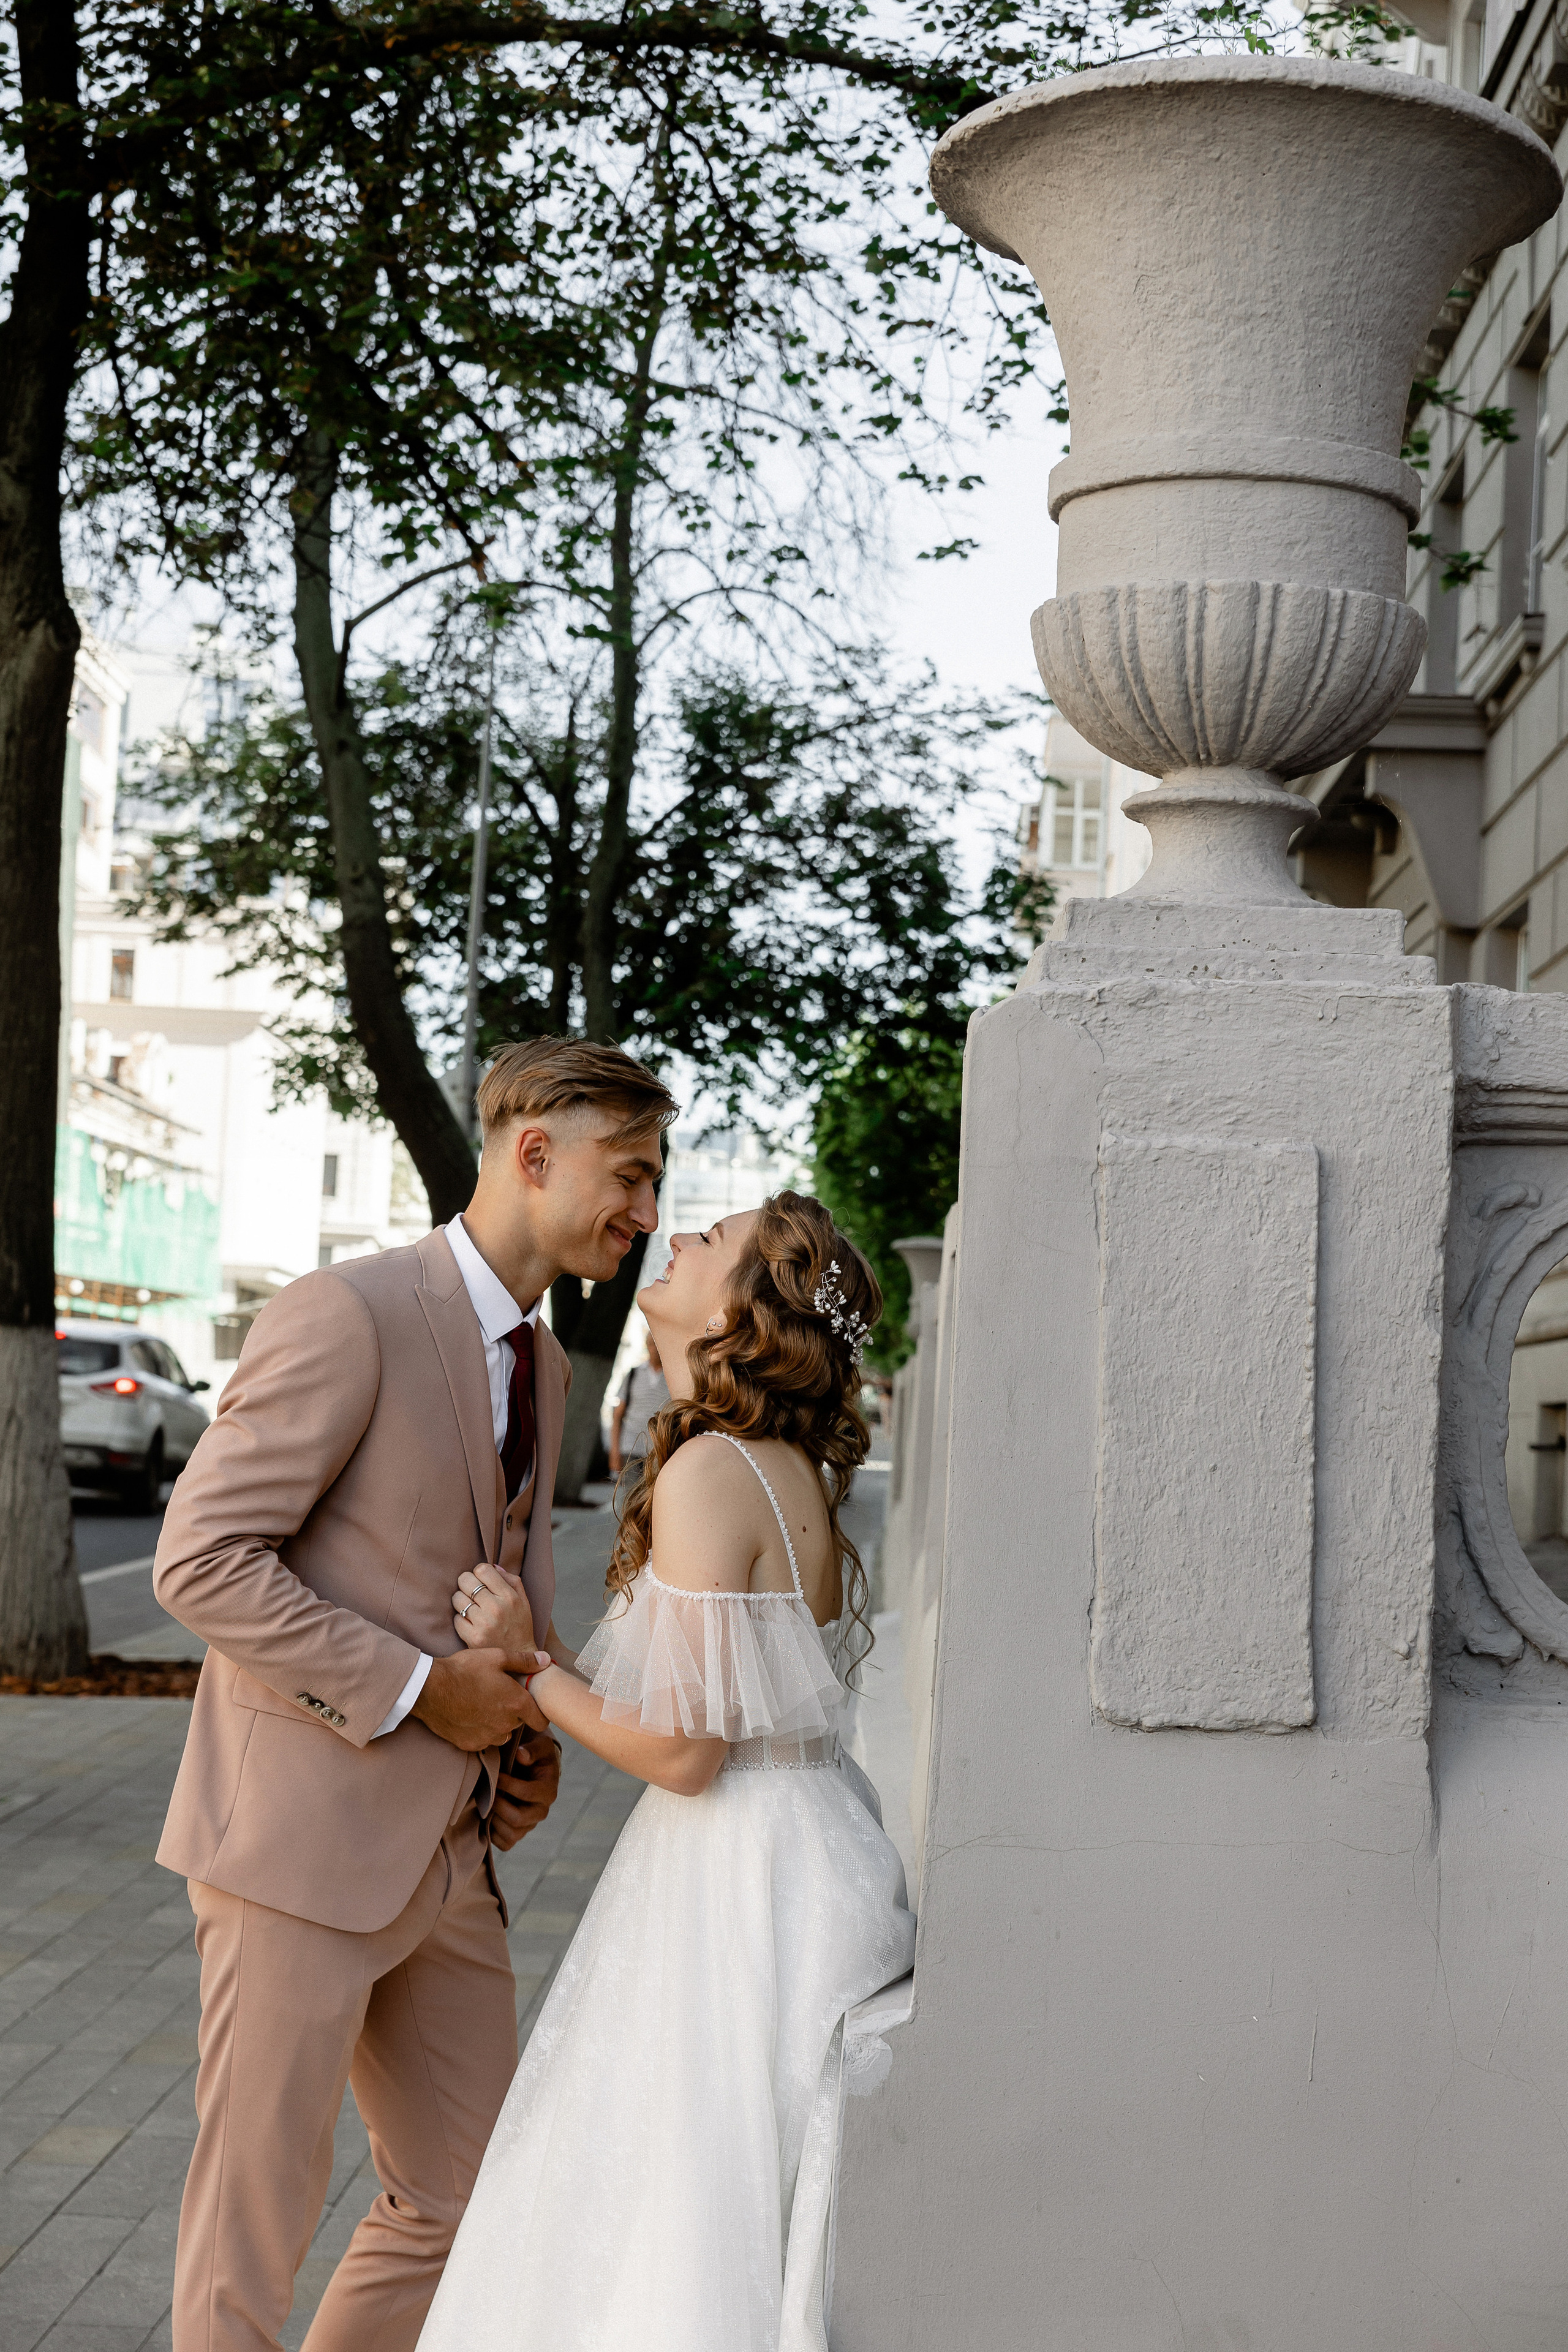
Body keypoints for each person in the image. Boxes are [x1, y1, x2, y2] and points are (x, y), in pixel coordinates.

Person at [151, 1037, 677, 2352]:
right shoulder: (350, 1311)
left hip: (449, 1861)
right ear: (532, 1152)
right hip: (297, 1850)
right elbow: (199, 1560)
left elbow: (493, 1568)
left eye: (658, 1180)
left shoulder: (547, 1365)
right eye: (631, 1172)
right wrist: (416, 1692)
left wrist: (528, 1726)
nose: (647, 1211)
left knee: (469, 2199)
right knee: (249, 2229)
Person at [417, 1191, 917, 2352]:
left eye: (713, 1240)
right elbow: (726, 1709)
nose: (680, 1236)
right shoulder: (791, 1470)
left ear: (744, 1313)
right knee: (740, 2184)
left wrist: (527, 1668)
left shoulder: (710, 1474)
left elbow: (687, 1755)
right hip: (816, 1847)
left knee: (673, 2183)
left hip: (731, 1872)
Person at [608, 1330, 668, 1471]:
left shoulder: (672, 1378)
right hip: (630, 1448)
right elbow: (617, 1415)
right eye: (651, 1344)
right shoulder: (634, 1374)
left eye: (657, 1344)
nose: (655, 1349)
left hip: (660, 1451)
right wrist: (614, 1451)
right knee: (630, 1492)